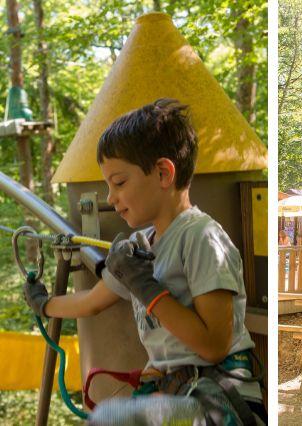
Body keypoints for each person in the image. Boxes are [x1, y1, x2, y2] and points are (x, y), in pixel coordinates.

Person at [23, 99, 266, 423]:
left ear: (164, 173)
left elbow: (214, 346)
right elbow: (92, 303)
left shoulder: (201, 237)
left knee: (113, 418)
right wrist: (44, 304)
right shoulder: (140, 247)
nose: (110, 198)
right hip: (176, 393)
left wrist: (146, 288)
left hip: (219, 398)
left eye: (119, 182)